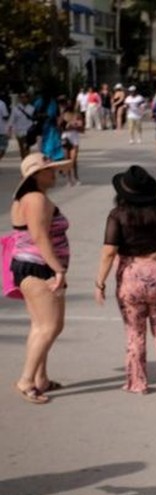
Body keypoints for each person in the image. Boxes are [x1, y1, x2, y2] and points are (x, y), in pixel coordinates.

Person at [94, 166, 156, 396]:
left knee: (134, 331)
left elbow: (108, 252)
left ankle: (138, 382)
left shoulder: (118, 215)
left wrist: (100, 282)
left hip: (130, 275)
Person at [9, 153, 72, 404]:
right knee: (50, 326)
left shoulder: (30, 198)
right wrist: (59, 270)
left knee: (40, 325)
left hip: (33, 266)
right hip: (38, 267)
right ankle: (26, 379)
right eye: (50, 170)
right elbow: (40, 237)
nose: (54, 173)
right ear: (37, 175)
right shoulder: (35, 199)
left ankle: (40, 378)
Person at [59, 108, 83, 187]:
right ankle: (69, 180)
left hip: (74, 139)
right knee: (67, 160)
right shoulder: (62, 116)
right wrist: (64, 124)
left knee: (73, 160)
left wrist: (74, 126)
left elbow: (82, 129)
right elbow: (59, 127)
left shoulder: (77, 115)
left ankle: (76, 177)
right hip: (65, 138)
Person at [9, 92, 34, 159]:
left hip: (28, 131)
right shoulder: (16, 109)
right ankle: (24, 160)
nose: (24, 99)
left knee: (26, 147)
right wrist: (10, 129)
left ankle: (27, 160)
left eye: (25, 97)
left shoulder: (32, 108)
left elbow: (34, 119)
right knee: (22, 148)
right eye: (22, 97)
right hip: (19, 131)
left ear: (28, 98)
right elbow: (12, 119)